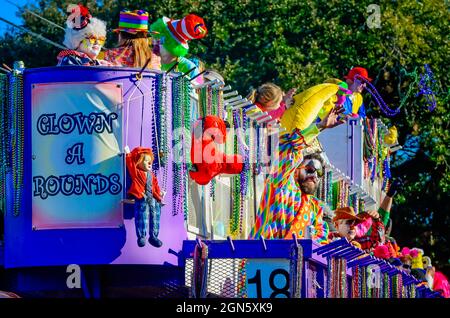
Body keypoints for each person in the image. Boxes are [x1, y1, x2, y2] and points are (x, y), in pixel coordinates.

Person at [250, 105, 346, 243]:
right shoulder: (281, 184)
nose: (314, 175)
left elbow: (321, 237)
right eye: (310, 169)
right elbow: (288, 148)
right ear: (296, 169)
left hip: (294, 262)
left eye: (319, 173)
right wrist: (319, 127)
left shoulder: (315, 208)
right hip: (262, 259)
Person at [125, 147, 165, 248]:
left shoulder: (152, 176)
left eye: (150, 161)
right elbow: (130, 165)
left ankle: (154, 236)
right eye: (146, 161)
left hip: (152, 197)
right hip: (142, 195)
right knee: (142, 212)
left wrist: (160, 195)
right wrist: (129, 154)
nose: (149, 163)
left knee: (155, 213)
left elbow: (155, 187)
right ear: (139, 162)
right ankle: (142, 235)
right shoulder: (137, 172)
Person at [150, 14, 207, 79]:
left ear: (174, 46)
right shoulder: (147, 61)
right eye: (156, 37)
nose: (155, 42)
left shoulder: (191, 70)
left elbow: (199, 88)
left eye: (163, 39)